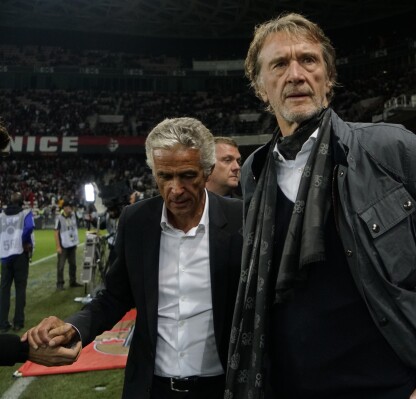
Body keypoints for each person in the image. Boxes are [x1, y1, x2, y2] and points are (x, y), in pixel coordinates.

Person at [227, 13, 416, 399]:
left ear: (328, 77)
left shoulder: (389, 147)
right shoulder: (255, 171)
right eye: (280, 64)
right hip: (291, 385)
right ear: (259, 85)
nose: (296, 74)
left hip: (395, 384)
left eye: (308, 60)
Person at [23, 117, 244, 399]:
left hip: (223, 387)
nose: (175, 189)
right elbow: (114, 296)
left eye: (187, 175)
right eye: (164, 176)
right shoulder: (136, 220)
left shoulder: (242, 217)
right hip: (152, 388)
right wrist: (75, 327)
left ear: (207, 171)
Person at [0, 192, 34, 332]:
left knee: (4, 290)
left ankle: (2, 322)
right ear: (22, 202)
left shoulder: (2, 215)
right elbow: (29, 227)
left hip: (5, 256)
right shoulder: (25, 213)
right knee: (20, 289)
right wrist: (24, 241)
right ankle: (18, 322)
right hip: (20, 253)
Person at [54, 201, 81, 290]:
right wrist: (58, 246)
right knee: (61, 266)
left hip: (72, 244)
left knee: (73, 264)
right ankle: (60, 284)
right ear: (64, 208)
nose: (69, 208)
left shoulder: (73, 215)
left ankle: (73, 281)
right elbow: (56, 232)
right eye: (67, 207)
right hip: (63, 245)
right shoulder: (59, 218)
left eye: (70, 206)